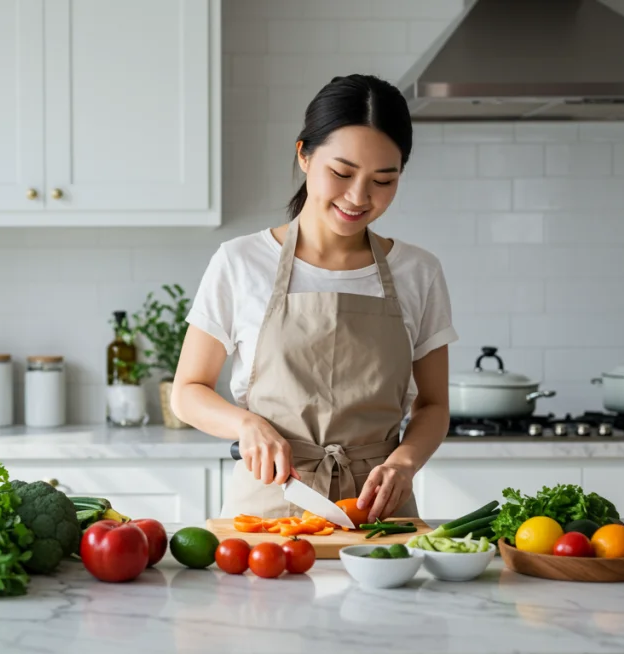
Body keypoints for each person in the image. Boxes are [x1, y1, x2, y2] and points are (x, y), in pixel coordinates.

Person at [171, 74, 456, 523]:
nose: (359, 197)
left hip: (380, 513)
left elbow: (434, 405)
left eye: (384, 180)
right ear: (304, 155)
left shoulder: (418, 271)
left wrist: (404, 462)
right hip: (270, 506)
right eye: (341, 173)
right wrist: (248, 425)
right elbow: (187, 392)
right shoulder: (240, 261)